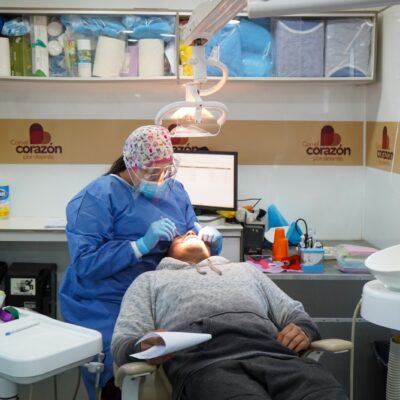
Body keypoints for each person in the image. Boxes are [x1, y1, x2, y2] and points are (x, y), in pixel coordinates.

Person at [59, 125, 223, 400]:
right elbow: (85, 263)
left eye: (165, 171)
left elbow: (189, 229)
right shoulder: (97, 197)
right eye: (151, 173)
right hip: (106, 301)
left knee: (190, 363)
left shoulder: (174, 190)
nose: (159, 180)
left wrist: (208, 240)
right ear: (130, 165)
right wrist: (138, 246)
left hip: (161, 295)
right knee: (123, 370)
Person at [112, 231, 348, 400]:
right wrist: (143, 346)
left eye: (194, 232)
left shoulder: (245, 270)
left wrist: (303, 329)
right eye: (181, 236)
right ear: (168, 253)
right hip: (207, 364)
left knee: (327, 393)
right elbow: (124, 339)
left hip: (275, 355)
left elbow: (295, 312)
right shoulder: (150, 280)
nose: (191, 232)